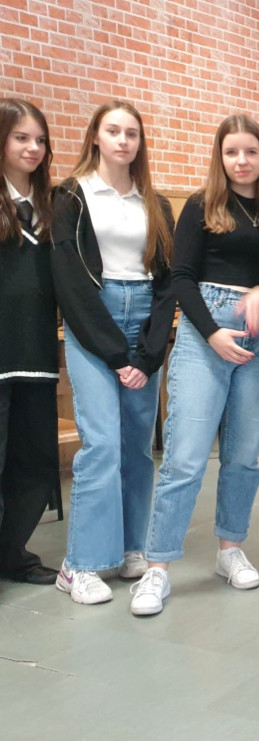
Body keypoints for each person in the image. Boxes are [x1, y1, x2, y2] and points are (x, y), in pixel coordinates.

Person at [130, 115, 259, 616]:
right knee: (185, 457)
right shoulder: (201, 205)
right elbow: (181, 277)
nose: (242, 161)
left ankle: (229, 549)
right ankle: (157, 566)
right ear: (220, 156)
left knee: (243, 456)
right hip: (204, 331)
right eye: (231, 152)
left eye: (251, 151)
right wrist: (212, 332)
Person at [51, 101, 175, 603]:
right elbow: (69, 281)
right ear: (96, 137)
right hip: (93, 321)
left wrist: (146, 355)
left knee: (137, 447)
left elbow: (167, 283)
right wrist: (115, 355)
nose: (123, 140)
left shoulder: (156, 203)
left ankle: (130, 547)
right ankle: (79, 565)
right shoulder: (71, 196)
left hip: (142, 318)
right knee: (102, 443)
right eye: (113, 131)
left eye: (132, 133)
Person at [0, 98, 60, 588]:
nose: (32, 148)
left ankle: (12, 553)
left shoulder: (52, 207)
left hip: (37, 355)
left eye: (39, 139)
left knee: (34, 460)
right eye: (21, 137)